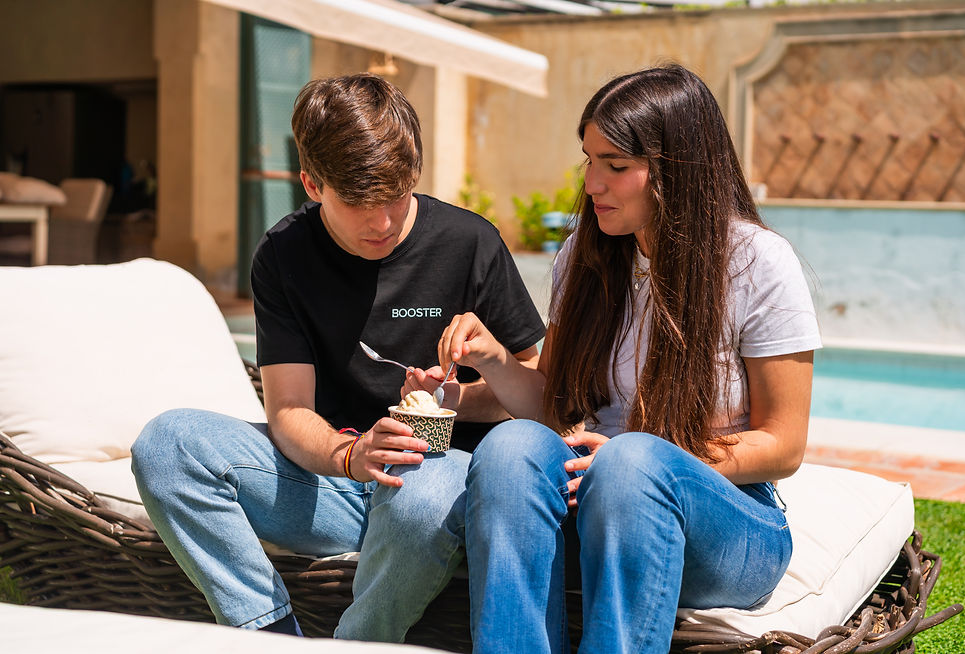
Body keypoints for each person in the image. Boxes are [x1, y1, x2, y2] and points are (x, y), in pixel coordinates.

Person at [131, 74, 544, 641]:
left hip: (441, 483)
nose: (383, 223)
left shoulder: (470, 242)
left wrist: (464, 390)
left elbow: (536, 397)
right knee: (167, 446)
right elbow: (289, 410)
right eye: (358, 203)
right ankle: (272, 638)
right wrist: (351, 455)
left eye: (396, 196)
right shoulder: (283, 253)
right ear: (312, 184)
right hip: (332, 482)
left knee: (425, 493)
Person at [427, 65, 822, 653]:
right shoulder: (582, 258)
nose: (592, 184)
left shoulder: (758, 263)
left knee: (632, 462)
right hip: (592, 510)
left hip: (729, 527)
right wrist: (493, 360)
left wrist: (633, 463)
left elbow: (783, 444)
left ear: (677, 168)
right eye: (589, 161)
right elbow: (554, 405)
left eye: (615, 166)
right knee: (510, 448)